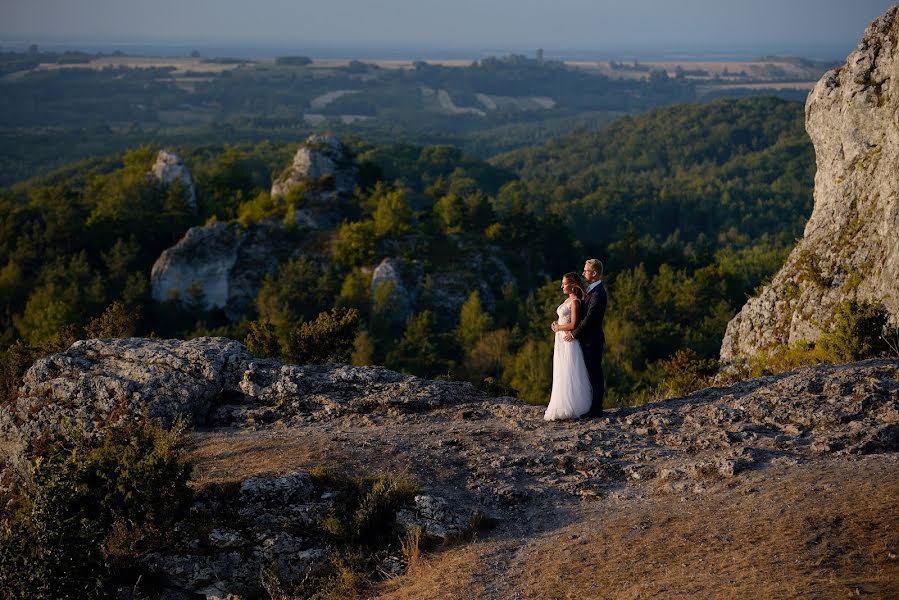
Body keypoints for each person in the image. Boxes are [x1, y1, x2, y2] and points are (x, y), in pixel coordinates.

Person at [545, 272, 593, 421]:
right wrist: (556, 325)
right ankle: (560, 404)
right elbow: (564, 318)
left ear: (572, 285)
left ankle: (572, 406)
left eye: (564, 284)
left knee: (569, 371)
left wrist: (558, 327)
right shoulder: (568, 300)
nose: (561, 286)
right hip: (561, 340)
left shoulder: (575, 302)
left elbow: (574, 324)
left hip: (568, 341)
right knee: (561, 371)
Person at [564, 259, 607, 417]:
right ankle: (590, 406)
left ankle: (596, 408)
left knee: (595, 373)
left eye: (586, 271)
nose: (583, 273)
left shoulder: (599, 293)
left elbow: (590, 319)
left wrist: (574, 333)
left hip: (593, 341)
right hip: (587, 340)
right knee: (588, 374)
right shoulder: (590, 291)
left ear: (594, 273)